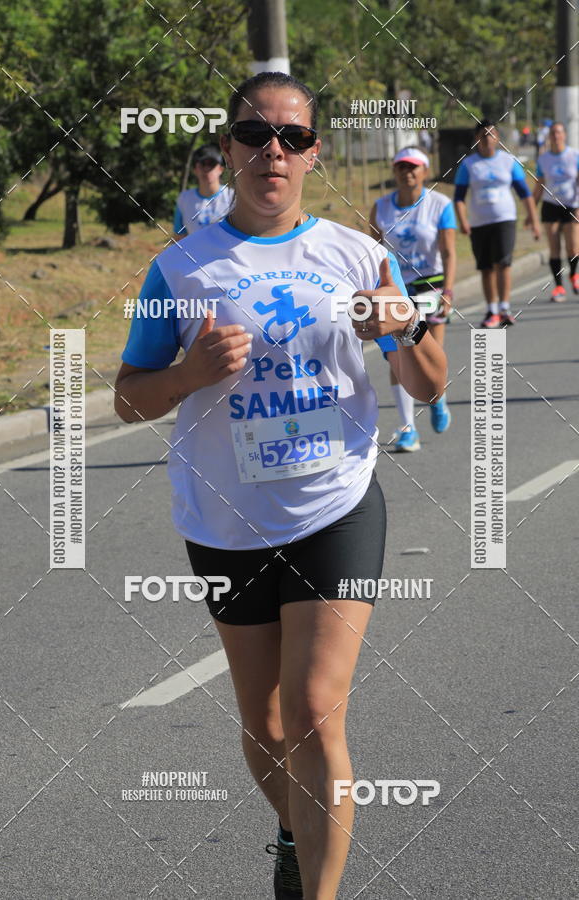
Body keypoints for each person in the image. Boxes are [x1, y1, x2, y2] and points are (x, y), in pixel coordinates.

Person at [115, 71, 447, 900]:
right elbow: (128, 395)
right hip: (224, 521)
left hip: (335, 504)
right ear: (227, 150)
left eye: (292, 139)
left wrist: (401, 331)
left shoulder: (357, 254)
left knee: (310, 711)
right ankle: (298, 833)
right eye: (256, 136)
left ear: (313, 155)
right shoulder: (178, 269)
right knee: (264, 727)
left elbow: (431, 383)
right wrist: (188, 372)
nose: (274, 152)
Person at [370, 146, 456, 451]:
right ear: (394, 171)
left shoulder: (440, 204)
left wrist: (448, 290)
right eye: (401, 167)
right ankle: (407, 428)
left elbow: (448, 251)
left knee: (430, 352)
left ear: (425, 171)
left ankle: (437, 396)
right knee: (398, 357)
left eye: (413, 167)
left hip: (432, 285)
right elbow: (373, 253)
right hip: (398, 289)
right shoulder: (380, 207)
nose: (407, 173)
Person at [454, 120, 540, 328]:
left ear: (498, 138)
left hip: (505, 219)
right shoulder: (468, 165)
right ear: (476, 140)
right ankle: (491, 309)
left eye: (491, 135)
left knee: (503, 263)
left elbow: (524, 194)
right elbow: (459, 197)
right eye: (483, 136)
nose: (487, 139)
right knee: (485, 267)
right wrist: (463, 221)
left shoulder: (508, 161)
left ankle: (504, 308)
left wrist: (533, 219)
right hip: (479, 222)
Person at [532, 122, 579, 301]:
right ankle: (559, 287)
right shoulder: (543, 159)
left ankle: (574, 274)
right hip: (550, 205)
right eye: (553, 133)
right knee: (554, 248)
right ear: (549, 136)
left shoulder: (574, 155)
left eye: (559, 133)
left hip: (571, 205)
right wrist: (531, 212)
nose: (556, 136)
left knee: (573, 247)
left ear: (564, 135)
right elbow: (539, 186)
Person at [173, 144, 234, 238]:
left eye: (211, 164)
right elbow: (179, 237)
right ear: (195, 170)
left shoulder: (233, 197)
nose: (206, 169)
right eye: (202, 164)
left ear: (220, 169)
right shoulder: (184, 199)